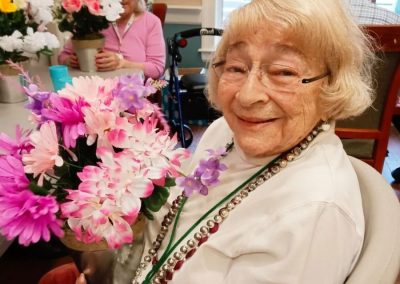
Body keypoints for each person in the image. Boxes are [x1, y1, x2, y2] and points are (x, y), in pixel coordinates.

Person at [47, 0, 377, 283]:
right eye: (236, 67)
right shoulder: (225, 132)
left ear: (331, 82)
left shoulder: (312, 216)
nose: (247, 96)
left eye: (284, 72)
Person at [58, 0, 165, 79]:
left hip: (133, 94)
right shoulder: (92, 18)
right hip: (94, 90)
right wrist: (69, 60)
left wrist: (122, 63)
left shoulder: (151, 22)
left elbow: (156, 69)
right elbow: (62, 56)